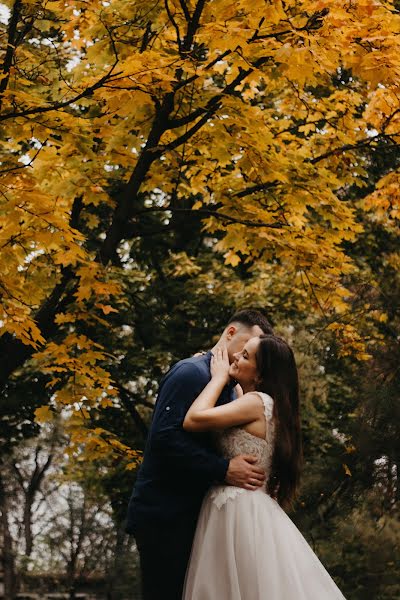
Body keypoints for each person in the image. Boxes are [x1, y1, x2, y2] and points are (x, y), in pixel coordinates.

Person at [182, 335, 347, 600]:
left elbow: (194, 419)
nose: (236, 357)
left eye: (246, 356)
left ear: (260, 375)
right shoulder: (258, 402)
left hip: (239, 511)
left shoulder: (257, 402)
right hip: (244, 507)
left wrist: (218, 378)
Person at [126, 309, 274, 600]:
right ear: (230, 334)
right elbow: (164, 438)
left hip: (199, 518)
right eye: (245, 347)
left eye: (252, 354)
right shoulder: (190, 373)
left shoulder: (234, 392)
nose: (245, 355)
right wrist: (223, 469)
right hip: (164, 516)